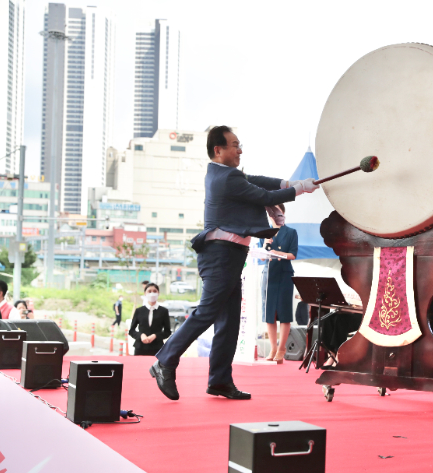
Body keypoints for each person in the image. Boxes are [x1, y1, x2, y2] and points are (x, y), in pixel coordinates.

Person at [150, 125, 318, 401]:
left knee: (228, 322)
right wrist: (299, 188)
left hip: (229, 254)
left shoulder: (225, 174)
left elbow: (257, 180)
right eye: (234, 145)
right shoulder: (227, 179)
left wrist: (287, 184)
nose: (240, 150)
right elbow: (263, 196)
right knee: (207, 313)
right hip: (220, 255)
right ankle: (164, 361)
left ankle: (219, 381)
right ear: (219, 150)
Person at [262, 204, 298, 363]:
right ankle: (273, 348)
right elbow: (262, 257)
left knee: (284, 313)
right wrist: (265, 246)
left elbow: (293, 255)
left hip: (284, 274)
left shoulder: (291, 232)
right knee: (269, 313)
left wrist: (278, 253)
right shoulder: (264, 232)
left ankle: (282, 347)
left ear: (282, 213)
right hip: (269, 274)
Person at [129, 283, 172, 356]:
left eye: (155, 291)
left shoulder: (163, 311)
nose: (152, 293)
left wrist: (155, 335)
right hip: (140, 347)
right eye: (149, 291)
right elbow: (131, 331)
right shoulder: (139, 311)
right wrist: (141, 335)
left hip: (157, 348)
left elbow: (167, 331)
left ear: (158, 293)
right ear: (145, 293)